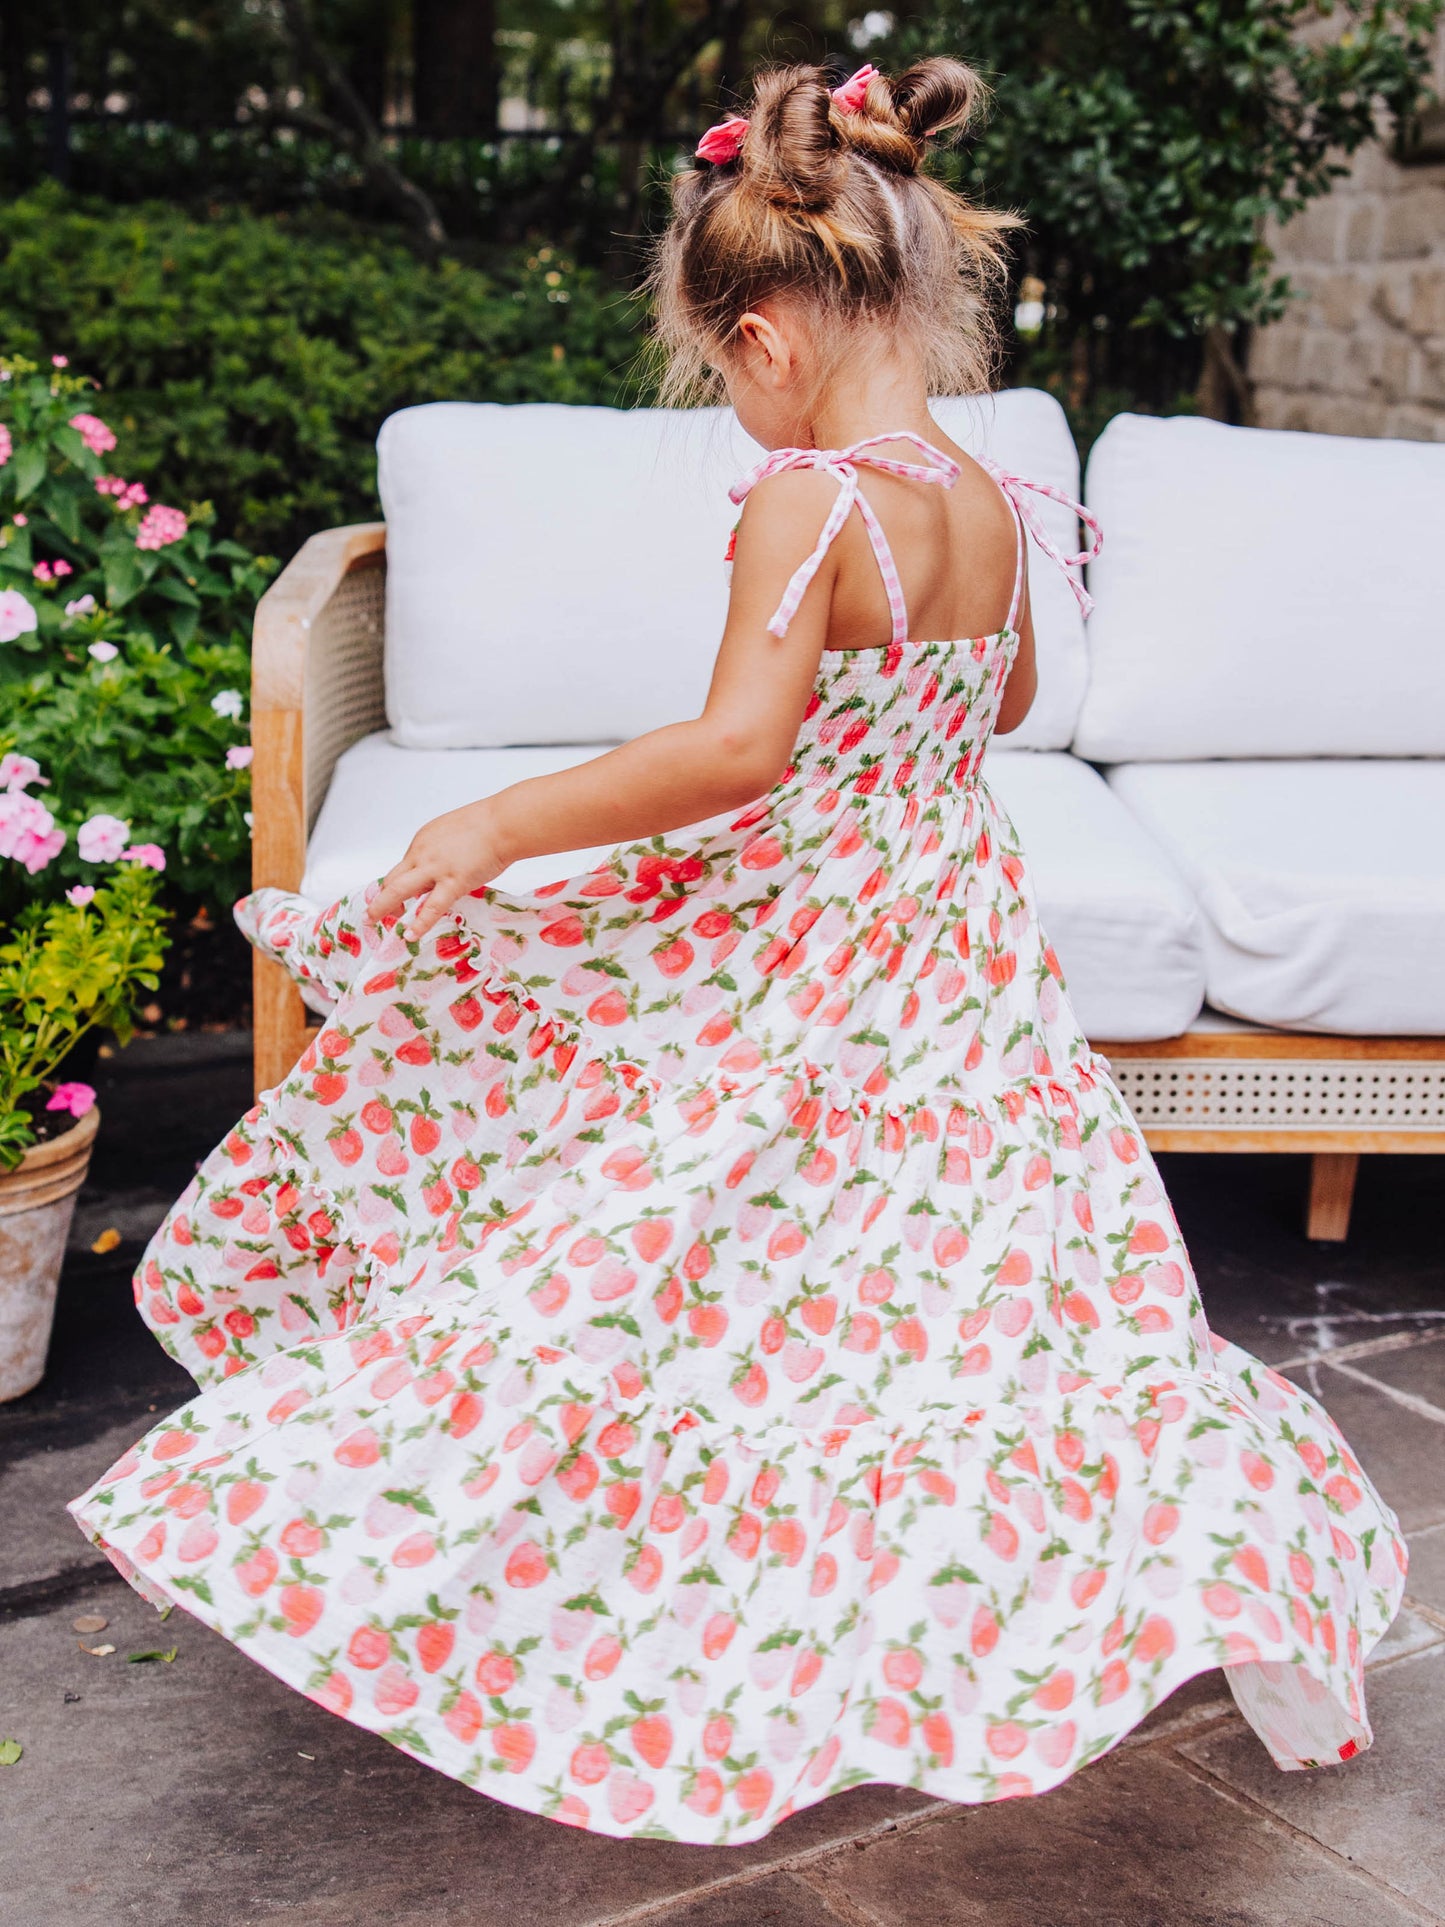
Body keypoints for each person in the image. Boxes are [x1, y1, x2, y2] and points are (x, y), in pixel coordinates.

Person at [72, 57, 1405, 1846]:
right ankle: (1006, 1602)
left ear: (766, 337)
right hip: (960, 955)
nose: (730, 411)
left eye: (717, 379)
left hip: (818, 954)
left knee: (654, 1234)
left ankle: (631, 1608)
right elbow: (998, 695)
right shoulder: (989, 497)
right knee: (975, 1291)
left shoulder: (812, 500)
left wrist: (486, 825)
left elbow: (731, 749)